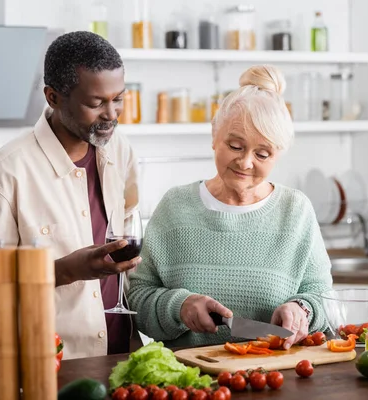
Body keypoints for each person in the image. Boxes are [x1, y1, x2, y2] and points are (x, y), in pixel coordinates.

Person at [0, 31, 142, 359]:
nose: (111, 114)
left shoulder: (119, 151)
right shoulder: (5, 172)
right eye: (96, 103)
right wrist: (63, 271)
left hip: (121, 356)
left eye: (118, 98)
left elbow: (130, 233)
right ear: (53, 97)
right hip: (47, 367)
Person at [128, 64, 333, 349]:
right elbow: (137, 298)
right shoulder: (175, 207)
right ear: (214, 135)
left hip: (275, 378)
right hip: (191, 382)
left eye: (262, 153)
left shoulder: (295, 211)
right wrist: (179, 306)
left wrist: (301, 310)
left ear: (278, 155)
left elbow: (323, 296)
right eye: (236, 146)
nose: (246, 162)